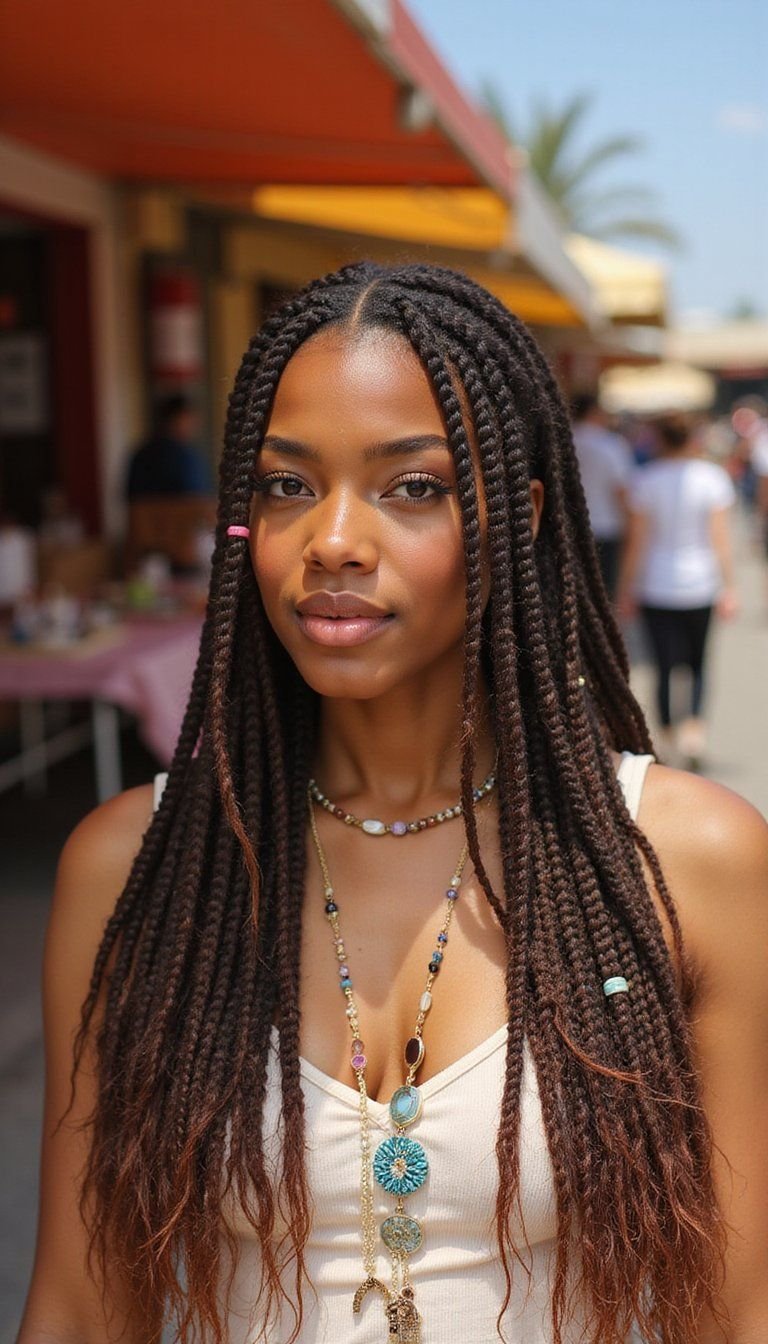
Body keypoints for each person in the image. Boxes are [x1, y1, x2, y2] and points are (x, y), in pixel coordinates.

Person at [18, 264, 768, 1344]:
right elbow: (79, 1308)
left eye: (412, 486)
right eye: (286, 485)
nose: (331, 540)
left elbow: (739, 1309)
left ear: (518, 516)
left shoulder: (685, 860)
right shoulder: (135, 869)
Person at [616, 413, 739, 769]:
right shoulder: (712, 478)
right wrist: (729, 587)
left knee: (664, 666)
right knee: (698, 662)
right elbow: (720, 539)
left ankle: (668, 736)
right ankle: (694, 732)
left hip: (657, 585)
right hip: (701, 583)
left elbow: (636, 543)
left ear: (659, 440)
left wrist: (626, 589)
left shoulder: (645, 479)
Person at [570, 392, 635, 599]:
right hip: (606, 529)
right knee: (604, 594)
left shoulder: (563, 440)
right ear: (595, 412)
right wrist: (631, 526)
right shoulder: (611, 444)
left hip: (570, 527)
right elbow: (621, 490)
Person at [124, 393, 214, 500]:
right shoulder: (184, 457)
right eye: (190, 420)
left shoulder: (140, 453)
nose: (195, 426)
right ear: (174, 419)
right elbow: (197, 498)